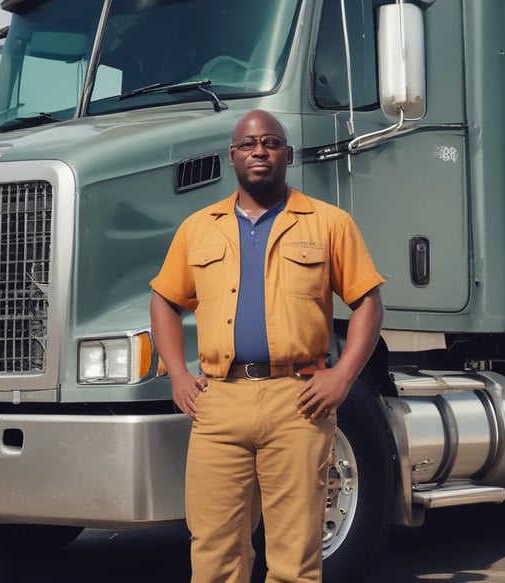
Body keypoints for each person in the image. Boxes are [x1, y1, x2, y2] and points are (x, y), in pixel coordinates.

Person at [149, 109, 384, 583]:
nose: (260, 151)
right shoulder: (199, 228)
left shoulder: (329, 223)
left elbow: (369, 303)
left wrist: (342, 376)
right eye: (249, 144)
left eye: (271, 142)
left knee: (296, 556)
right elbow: (163, 302)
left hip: (297, 402)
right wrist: (177, 374)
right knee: (215, 552)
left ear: (288, 155)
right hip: (219, 404)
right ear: (232, 157)